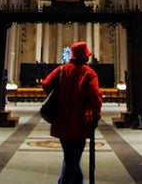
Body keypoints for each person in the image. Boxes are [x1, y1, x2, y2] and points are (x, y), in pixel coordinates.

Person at [42, 41, 103, 184]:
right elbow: (96, 99)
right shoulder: (88, 73)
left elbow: (45, 84)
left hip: (61, 122)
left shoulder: (61, 70)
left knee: (71, 157)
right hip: (79, 124)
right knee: (72, 159)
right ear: (85, 57)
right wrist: (96, 117)